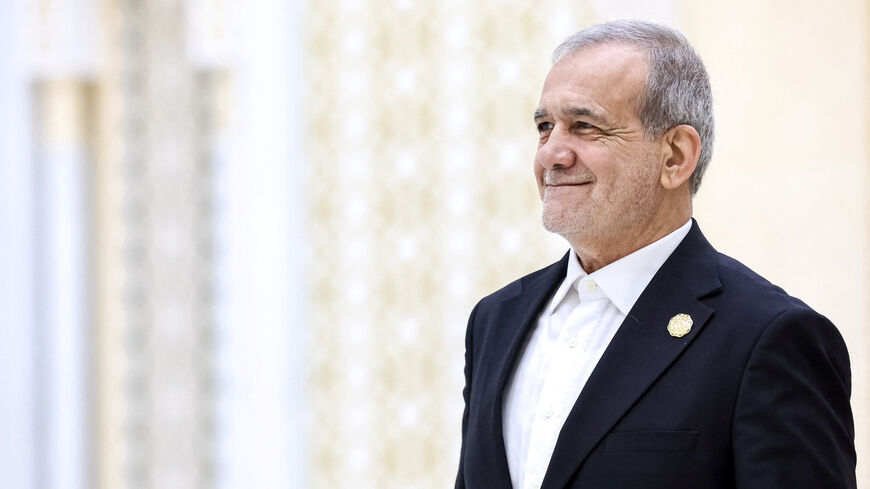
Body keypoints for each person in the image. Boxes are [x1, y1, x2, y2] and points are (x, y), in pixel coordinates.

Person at [455, 19, 856, 489]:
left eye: (585, 126)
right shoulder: (496, 319)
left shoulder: (767, 336)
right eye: (545, 127)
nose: (552, 155)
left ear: (675, 157)